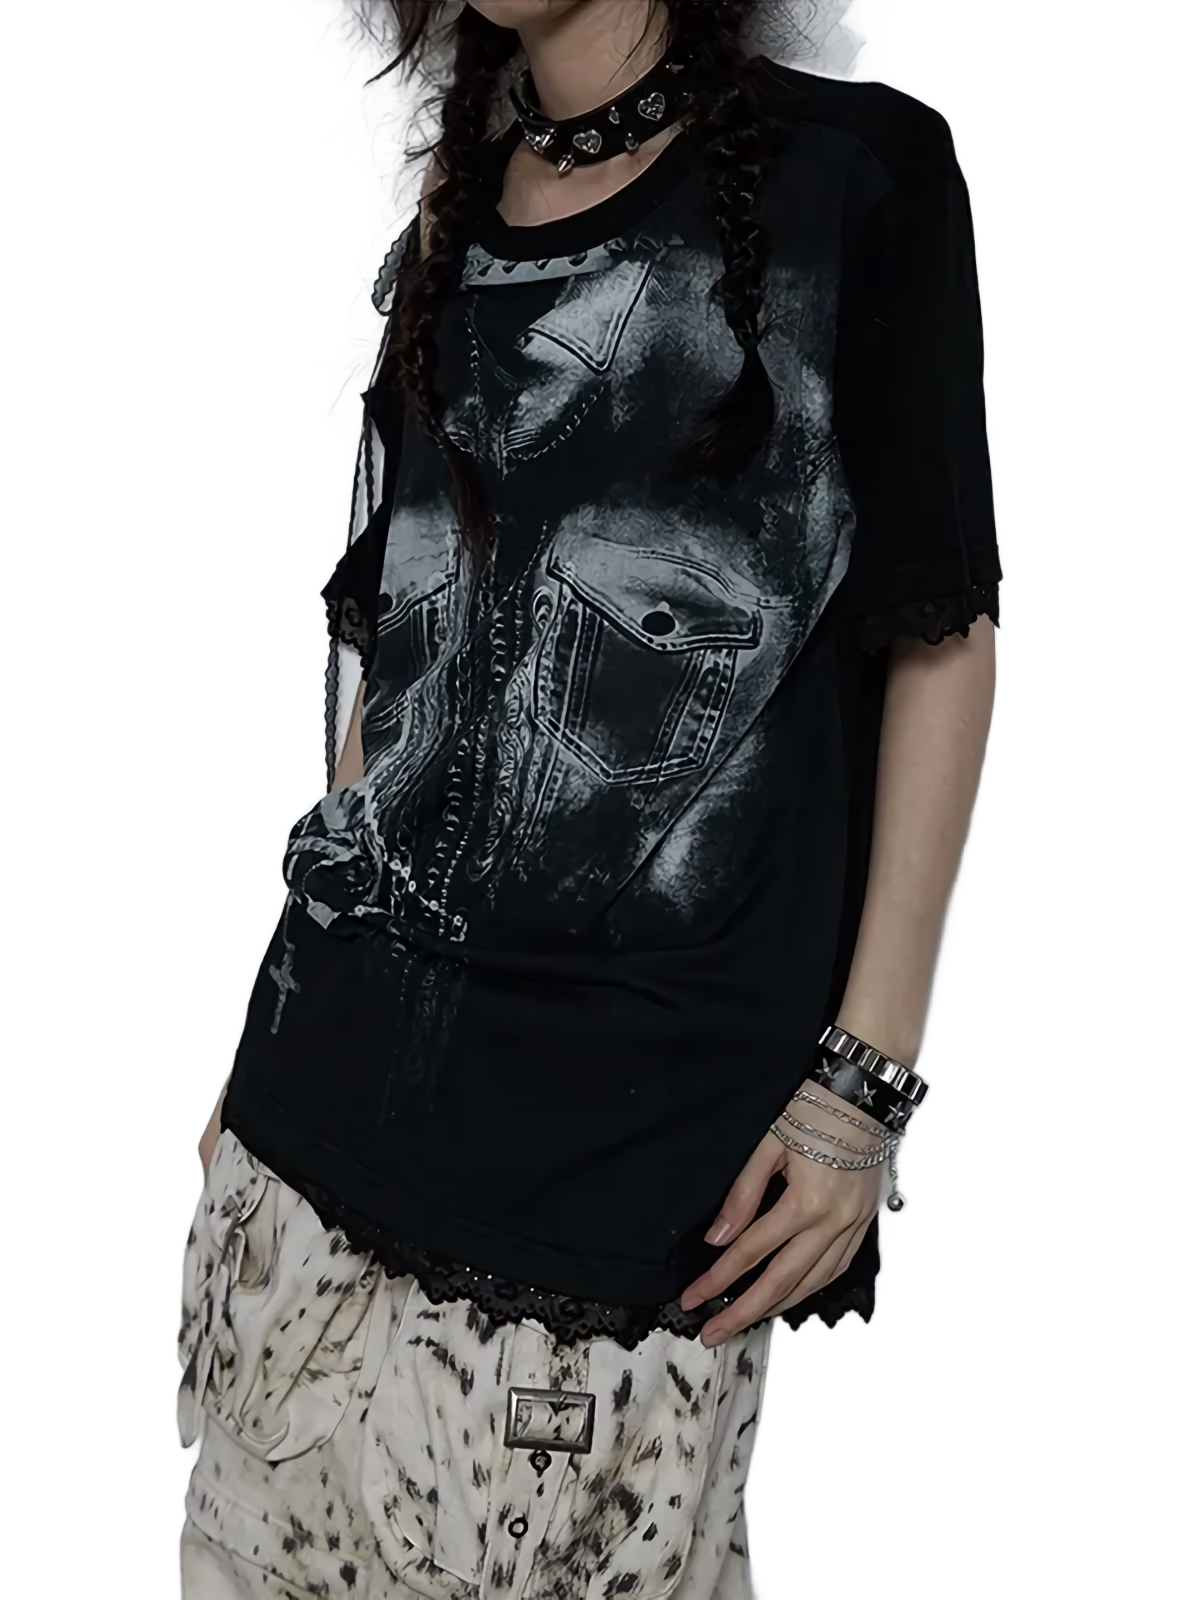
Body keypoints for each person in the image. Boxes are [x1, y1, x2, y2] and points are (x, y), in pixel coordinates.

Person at [177, 2, 1000, 1596]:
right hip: (299, 1156)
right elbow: (405, 662)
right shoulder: (454, 219)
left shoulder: (857, 176)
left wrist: (861, 1085)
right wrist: (263, 1036)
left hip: (619, 1195)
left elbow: (940, 632)